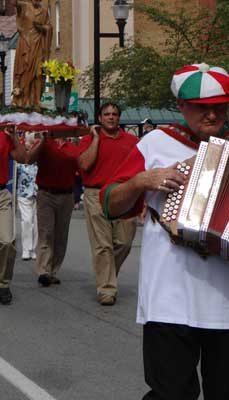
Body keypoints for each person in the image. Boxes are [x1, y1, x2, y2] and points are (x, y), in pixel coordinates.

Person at [99, 63, 229, 399]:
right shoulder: (155, 143)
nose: (212, 115)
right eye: (201, 108)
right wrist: (143, 180)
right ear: (182, 107)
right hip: (168, 297)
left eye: (220, 106)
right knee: (170, 393)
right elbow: (110, 202)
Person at [78, 102, 138, 306]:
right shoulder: (88, 139)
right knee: (102, 245)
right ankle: (106, 289)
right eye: (107, 114)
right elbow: (85, 165)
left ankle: (107, 274)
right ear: (100, 118)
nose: (111, 117)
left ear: (119, 117)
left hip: (124, 193)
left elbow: (140, 169)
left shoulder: (131, 141)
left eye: (114, 114)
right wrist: (95, 138)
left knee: (124, 242)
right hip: (96, 194)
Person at [27, 135, 78, 287]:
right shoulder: (44, 143)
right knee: (46, 232)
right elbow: (29, 159)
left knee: (61, 235)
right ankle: (43, 270)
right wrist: (43, 141)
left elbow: (82, 168)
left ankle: (52, 271)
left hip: (66, 194)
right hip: (46, 193)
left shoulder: (73, 147)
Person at [0, 125, 27, 304]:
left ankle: (3, 283)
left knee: (7, 241)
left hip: (1, 195)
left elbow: (22, 157)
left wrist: (14, 136)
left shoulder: (4, 134)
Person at [12, 0, 52, 109]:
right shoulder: (24, 6)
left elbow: (49, 27)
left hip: (39, 44)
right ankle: (25, 100)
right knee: (25, 72)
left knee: (38, 73)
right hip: (26, 44)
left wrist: (42, 28)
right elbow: (14, 4)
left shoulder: (44, 11)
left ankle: (37, 100)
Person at [16, 132, 38, 260]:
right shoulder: (20, 159)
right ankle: (26, 249)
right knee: (27, 220)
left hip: (37, 193)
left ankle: (33, 249)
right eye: (30, 143)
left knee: (36, 222)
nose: (31, 146)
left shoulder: (39, 158)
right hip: (24, 193)